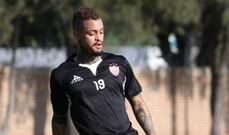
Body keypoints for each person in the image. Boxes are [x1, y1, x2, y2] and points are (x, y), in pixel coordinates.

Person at [50, 7, 156, 135]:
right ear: (76, 34)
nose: (98, 38)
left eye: (101, 32)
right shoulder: (61, 75)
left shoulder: (120, 63)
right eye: (92, 33)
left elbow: (138, 103)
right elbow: (59, 119)